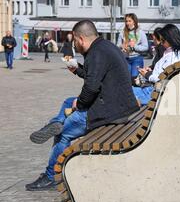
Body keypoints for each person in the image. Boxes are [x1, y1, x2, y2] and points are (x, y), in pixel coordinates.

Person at [26, 20, 139, 191]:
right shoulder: (105, 47)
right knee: (67, 102)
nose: (75, 45)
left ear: (80, 38)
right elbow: (95, 77)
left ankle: (51, 177)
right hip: (119, 105)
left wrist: (79, 104)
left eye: (74, 41)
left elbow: (92, 87)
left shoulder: (96, 53)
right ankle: (53, 124)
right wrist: (77, 69)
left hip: (110, 111)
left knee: (63, 135)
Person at [136, 24, 180, 105]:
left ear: (171, 39)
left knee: (124, 91)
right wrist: (151, 71)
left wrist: (147, 75)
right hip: (158, 90)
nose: (161, 43)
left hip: (156, 93)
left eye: (163, 40)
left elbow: (165, 81)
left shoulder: (175, 56)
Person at [117, 13, 149, 85]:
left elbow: (146, 47)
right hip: (125, 59)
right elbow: (117, 45)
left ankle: (136, 95)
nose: (127, 23)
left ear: (134, 21)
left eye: (129, 21)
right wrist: (122, 46)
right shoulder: (122, 33)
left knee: (134, 79)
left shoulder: (140, 32)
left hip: (137, 58)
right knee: (126, 79)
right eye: (126, 21)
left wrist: (134, 47)